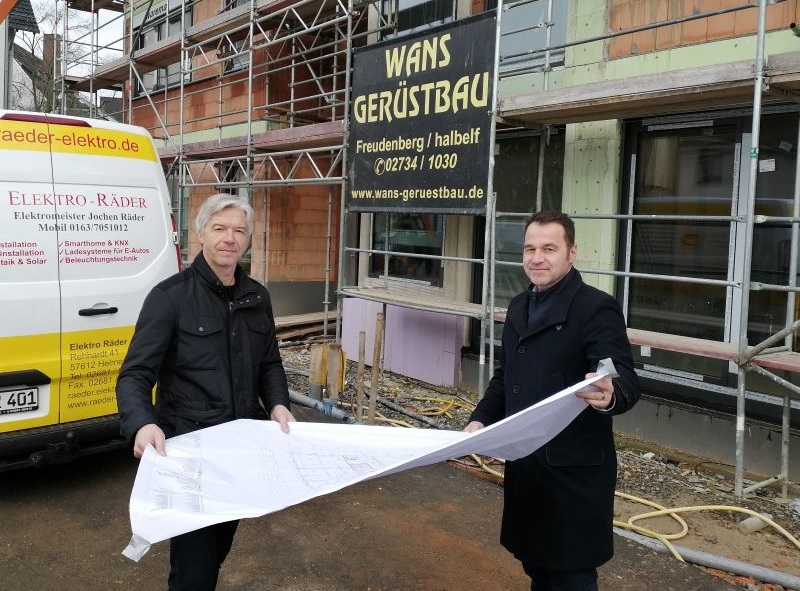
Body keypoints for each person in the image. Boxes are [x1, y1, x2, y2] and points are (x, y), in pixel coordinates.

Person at [116, 193, 295, 591]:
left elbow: (269, 363)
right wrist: (142, 423)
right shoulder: (170, 297)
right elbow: (134, 374)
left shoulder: (257, 297)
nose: (229, 238)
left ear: (248, 239)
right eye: (220, 229)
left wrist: (279, 403)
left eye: (239, 231)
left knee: (216, 552)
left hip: (238, 452)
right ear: (200, 234)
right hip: (190, 454)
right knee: (193, 569)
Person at [464, 211, 640, 591]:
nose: (537, 257)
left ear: (571, 253)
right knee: (538, 566)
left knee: (571, 575)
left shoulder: (595, 307)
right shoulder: (518, 307)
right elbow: (504, 376)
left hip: (571, 471)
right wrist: (480, 421)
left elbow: (623, 376)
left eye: (549, 248)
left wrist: (611, 393)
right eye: (530, 248)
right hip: (528, 464)